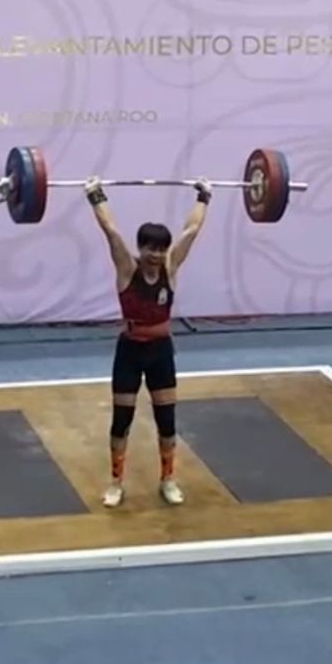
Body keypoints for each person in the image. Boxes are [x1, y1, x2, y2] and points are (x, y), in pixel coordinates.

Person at [85, 174, 213, 508]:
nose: (156, 254)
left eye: (161, 249)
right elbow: (110, 230)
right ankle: (116, 483)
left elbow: (192, 230)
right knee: (121, 421)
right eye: (150, 248)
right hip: (130, 352)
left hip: (160, 353)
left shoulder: (170, 268)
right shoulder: (127, 269)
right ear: (140, 248)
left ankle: (168, 480)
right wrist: (95, 194)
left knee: (166, 422)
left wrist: (204, 196)